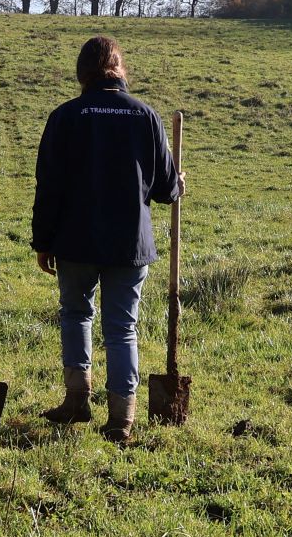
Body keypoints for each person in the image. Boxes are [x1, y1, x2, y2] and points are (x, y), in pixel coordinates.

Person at [31, 35, 182, 444]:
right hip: (128, 245)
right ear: (120, 68)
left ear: (82, 72)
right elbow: (167, 190)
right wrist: (179, 183)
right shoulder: (145, 116)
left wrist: (42, 241)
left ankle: (77, 399)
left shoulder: (65, 117)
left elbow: (48, 187)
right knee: (121, 328)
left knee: (76, 315)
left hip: (75, 240)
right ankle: (122, 418)